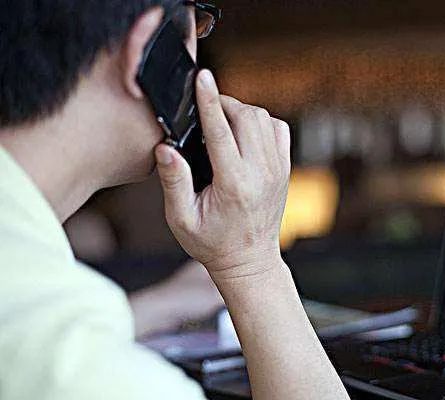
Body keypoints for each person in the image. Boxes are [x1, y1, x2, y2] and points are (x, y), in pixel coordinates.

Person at [0, 1, 350, 399]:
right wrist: (253, 267)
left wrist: (156, 306)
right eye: (197, 25)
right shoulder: (89, 375)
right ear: (146, 48)